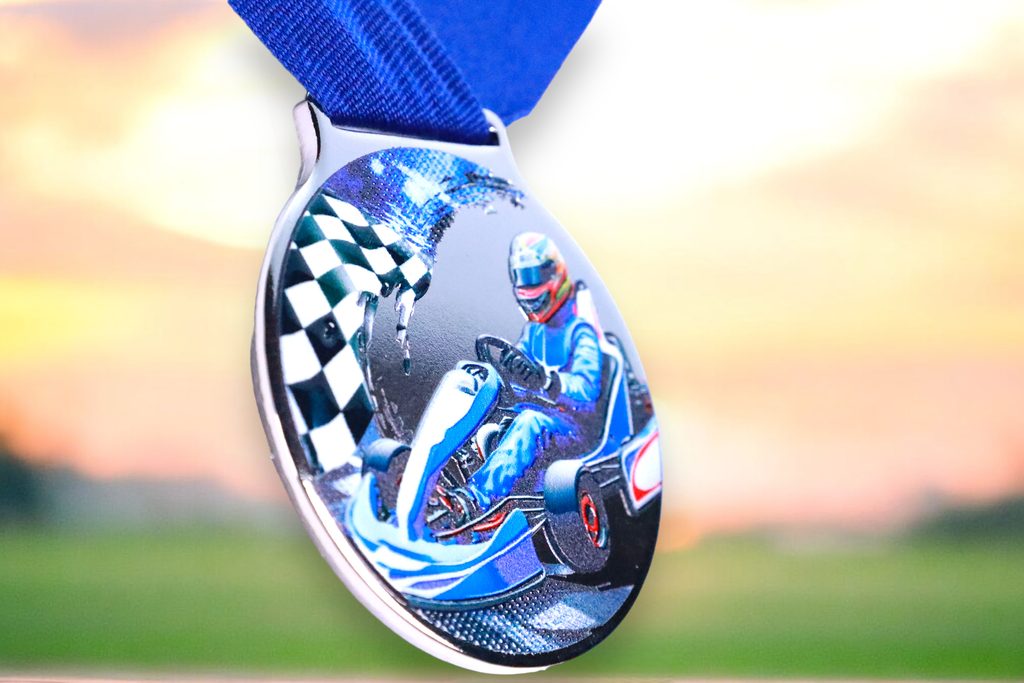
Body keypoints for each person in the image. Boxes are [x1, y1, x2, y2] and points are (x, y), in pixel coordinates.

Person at [445, 232, 603, 520]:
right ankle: (437, 479)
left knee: (529, 423)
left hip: (572, 428)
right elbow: (520, 378)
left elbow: (587, 390)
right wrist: (507, 373)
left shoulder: (580, 333)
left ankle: (474, 500)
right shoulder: (533, 333)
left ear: (554, 276)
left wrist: (547, 382)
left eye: (533, 277)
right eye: (522, 277)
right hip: (535, 417)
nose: (528, 287)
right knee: (484, 424)